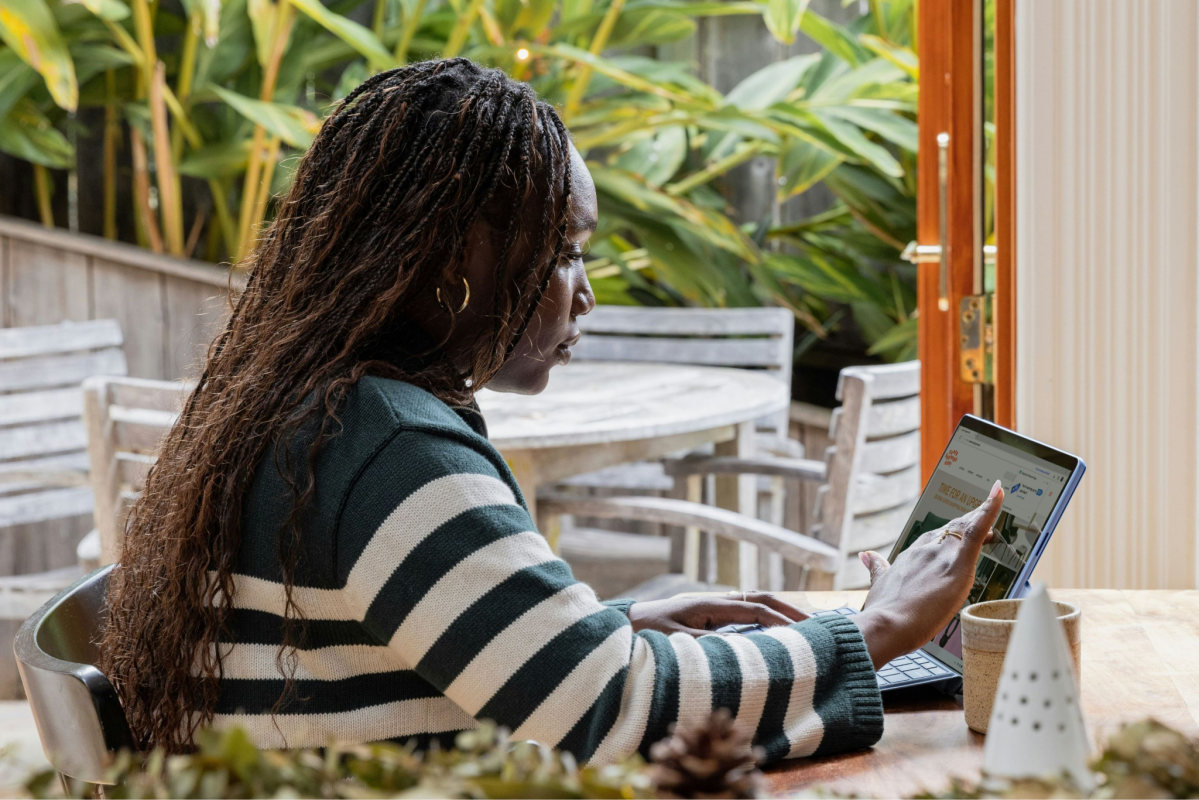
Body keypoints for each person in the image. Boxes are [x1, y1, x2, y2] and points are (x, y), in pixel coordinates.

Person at [101, 59, 1005, 762]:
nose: (585, 295)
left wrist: (604, 629)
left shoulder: (316, 405)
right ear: (456, 258)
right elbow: (610, 712)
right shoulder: (387, 446)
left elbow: (535, 672)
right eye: (565, 252)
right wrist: (876, 629)